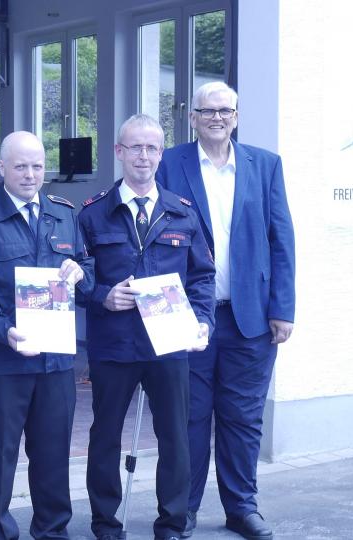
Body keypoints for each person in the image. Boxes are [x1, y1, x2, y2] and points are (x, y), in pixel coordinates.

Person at [156, 81, 295, 540]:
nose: (217, 117)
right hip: (188, 315)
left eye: (225, 111)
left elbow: (282, 241)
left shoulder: (265, 166)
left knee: (242, 418)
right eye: (207, 111)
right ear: (192, 117)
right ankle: (183, 510)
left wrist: (284, 309)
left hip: (250, 317)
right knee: (188, 417)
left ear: (236, 116)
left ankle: (241, 507)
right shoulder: (171, 163)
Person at [78, 114, 215, 540]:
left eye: (152, 147)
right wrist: (101, 293)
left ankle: (172, 523)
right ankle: (105, 522)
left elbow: (203, 277)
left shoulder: (183, 213)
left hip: (169, 344)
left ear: (161, 154)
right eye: (134, 147)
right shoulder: (92, 213)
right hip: (114, 345)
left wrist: (204, 323)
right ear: (118, 152)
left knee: (176, 436)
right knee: (104, 438)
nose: (143, 156)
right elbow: (76, 273)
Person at [0, 131, 93, 540]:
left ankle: (52, 531)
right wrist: (6, 332)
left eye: (37, 165)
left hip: (55, 360)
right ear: (1, 169)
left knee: (52, 455)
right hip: (3, 359)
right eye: (20, 166)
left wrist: (81, 272)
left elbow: (87, 268)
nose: (31, 174)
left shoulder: (64, 213)